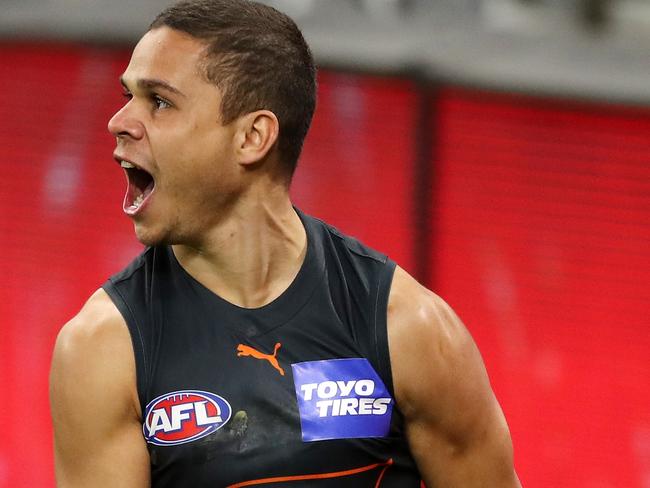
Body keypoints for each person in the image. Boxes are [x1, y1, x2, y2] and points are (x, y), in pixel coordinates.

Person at [49, 1, 521, 486]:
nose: (120, 121)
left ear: (253, 137)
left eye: (160, 101)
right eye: (127, 95)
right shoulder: (103, 349)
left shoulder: (408, 328)